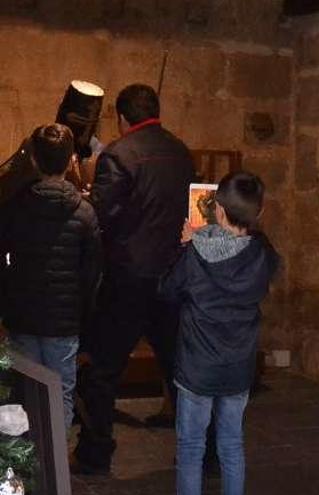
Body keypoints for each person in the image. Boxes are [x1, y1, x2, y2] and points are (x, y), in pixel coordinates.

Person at [73, 83, 196, 474]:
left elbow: (101, 215)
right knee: (179, 369)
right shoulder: (181, 151)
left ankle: (94, 454)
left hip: (128, 276)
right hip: (173, 273)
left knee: (105, 370)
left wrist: (87, 194)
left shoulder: (120, 153)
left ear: (122, 118)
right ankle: (201, 451)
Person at [159, 171, 278, 495]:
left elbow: (168, 290)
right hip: (239, 365)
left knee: (191, 448)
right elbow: (259, 253)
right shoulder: (263, 256)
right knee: (231, 445)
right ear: (259, 213)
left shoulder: (196, 252)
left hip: (197, 366)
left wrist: (187, 244)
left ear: (219, 210)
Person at [0, 124, 101, 430]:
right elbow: (91, 273)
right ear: (71, 159)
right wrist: (83, 315)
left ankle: (29, 470)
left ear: (33, 160)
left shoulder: (14, 207)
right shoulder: (84, 212)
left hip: (23, 315)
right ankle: (56, 470)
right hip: (64, 321)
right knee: (61, 394)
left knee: (23, 396)